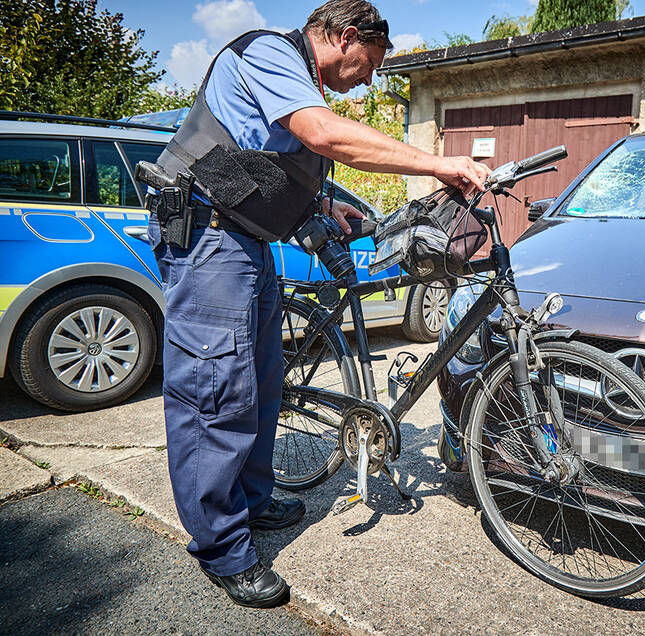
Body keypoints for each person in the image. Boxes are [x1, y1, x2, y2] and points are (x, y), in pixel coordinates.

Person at [144, 0, 491, 608]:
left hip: (244, 242)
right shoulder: (270, 52)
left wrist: (327, 207)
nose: (370, 78)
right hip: (207, 240)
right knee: (216, 394)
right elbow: (324, 136)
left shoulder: (298, 82)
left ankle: (251, 500)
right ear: (346, 37)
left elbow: (265, 166)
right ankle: (221, 547)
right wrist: (438, 163)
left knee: (261, 385)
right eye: (370, 64)